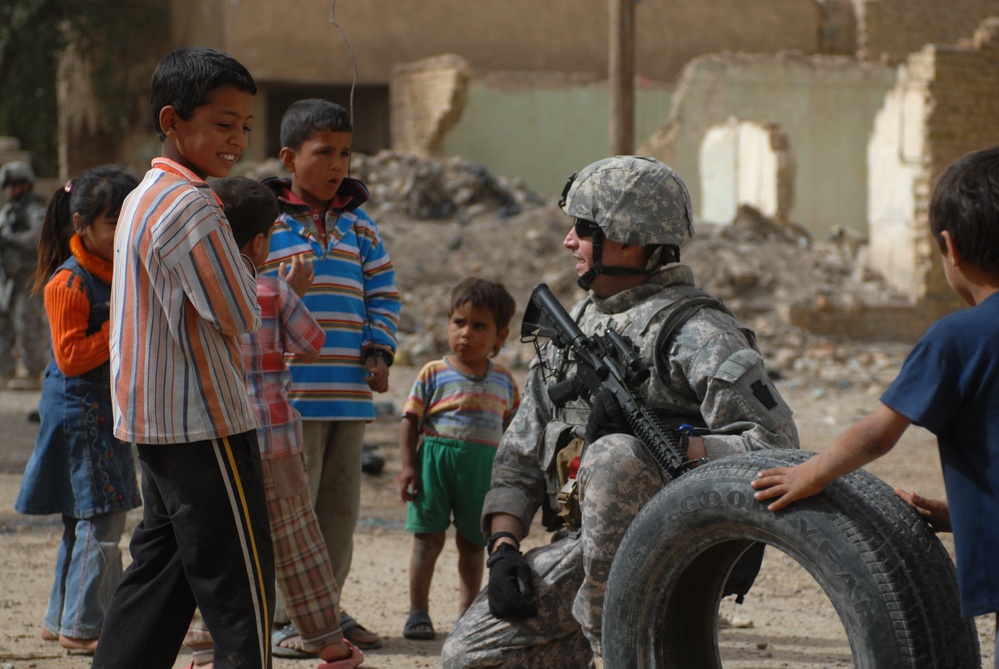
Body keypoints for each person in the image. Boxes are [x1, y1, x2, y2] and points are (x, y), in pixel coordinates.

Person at [441, 156, 800, 668]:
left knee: (614, 455)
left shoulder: (696, 331)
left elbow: (778, 448)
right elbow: (522, 450)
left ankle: (620, 653)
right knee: (468, 657)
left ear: (629, 240)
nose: (568, 242)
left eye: (583, 230)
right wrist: (503, 549)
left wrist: (673, 444)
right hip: (588, 549)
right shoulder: (577, 325)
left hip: (678, 549)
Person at [752, 145, 999, 668]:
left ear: (950, 248)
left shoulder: (958, 338)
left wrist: (810, 473)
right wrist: (957, 516)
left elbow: (880, 433)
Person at [90, 47, 274, 669]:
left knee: (160, 576)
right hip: (206, 424)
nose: (238, 138)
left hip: (158, 423)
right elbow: (239, 314)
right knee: (240, 598)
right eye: (224, 123)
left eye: (245, 125)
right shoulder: (193, 204)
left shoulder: (144, 194)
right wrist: (251, 265)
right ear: (173, 120)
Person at [181, 176, 363, 669]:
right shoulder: (272, 290)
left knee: (220, 546)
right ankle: (327, 639)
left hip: (220, 438)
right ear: (262, 241)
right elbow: (313, 343)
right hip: (277, 441)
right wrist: (293, 294)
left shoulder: (204, 290)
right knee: (299, 544)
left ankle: (202, 644)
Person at [261, 98, 400, 651]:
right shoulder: (263, 224)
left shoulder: (361, 227)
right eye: (325, 153)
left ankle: (324, 612)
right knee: (291, 514)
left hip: (349, 396)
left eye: (345, 153)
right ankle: (280, 618)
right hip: (292, 397)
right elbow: (248, 297)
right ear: (290, 159)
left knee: (338, 514)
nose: (339, 164)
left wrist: (380, 351)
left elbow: (383, 295)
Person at [14, 166, 141, 655]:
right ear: (81, 224)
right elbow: (70, 357)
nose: (123, 230)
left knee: (81, 519)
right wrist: (124, 326)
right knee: (102, 520)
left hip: (100, 411)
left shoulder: (118, 271)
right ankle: (85, 627)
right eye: (114, 221)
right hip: (80, 411)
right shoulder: (69, 283)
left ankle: (59, 618)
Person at [397, 277, 520, 641]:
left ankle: (467, 616)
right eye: (459, 322)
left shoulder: (505, 381)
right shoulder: (433, 372)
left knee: (472, 543)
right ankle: (418, 611)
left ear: (500, 337)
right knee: (427, 540)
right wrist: (407, 466)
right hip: (434, 463)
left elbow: (513, 430)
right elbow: (410, 420)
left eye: (479, 326)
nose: (465, 333)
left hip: (482, 469)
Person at [0, 159, 50, 389]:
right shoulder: (9, 211)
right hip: (8, 277)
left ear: (27, 184)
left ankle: (33, 373)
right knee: (5, 324)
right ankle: (5, 371)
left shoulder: (34, 209)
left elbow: (36, 237)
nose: (11, 189)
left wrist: (9, 238)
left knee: (26, 322)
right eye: (8, 185)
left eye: (16, 184)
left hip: (29, 276)